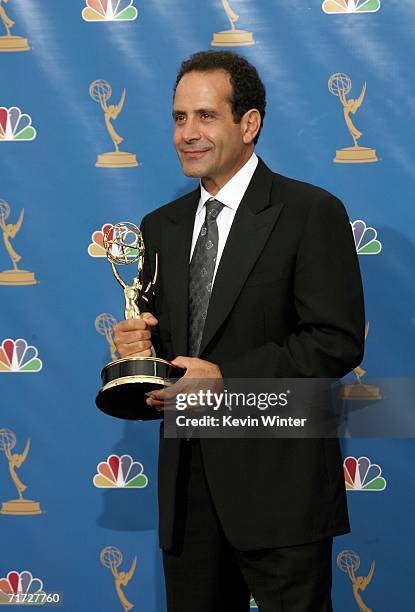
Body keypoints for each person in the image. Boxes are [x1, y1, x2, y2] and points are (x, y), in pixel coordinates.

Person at [113, 51, 365, 612]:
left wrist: (225, 377)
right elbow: (173, 356)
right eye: (179, 118)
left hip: (282, 492)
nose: (187, 134)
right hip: (188, 498)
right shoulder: (161, 227)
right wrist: (140, 354)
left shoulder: (310, 212)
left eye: (205, 117)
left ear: (248, 124)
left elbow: (335, 341)